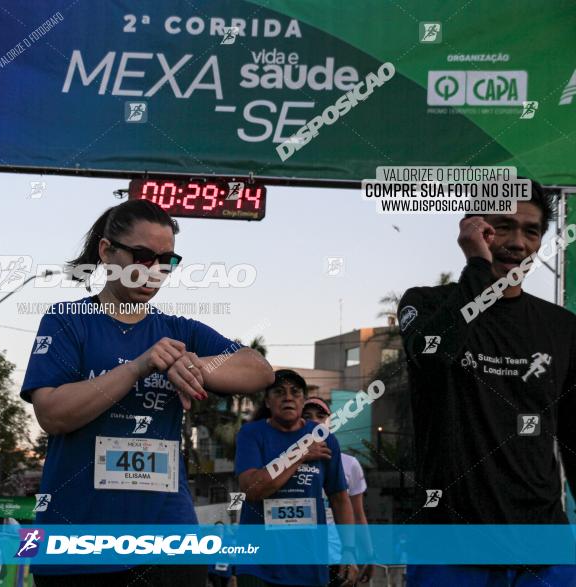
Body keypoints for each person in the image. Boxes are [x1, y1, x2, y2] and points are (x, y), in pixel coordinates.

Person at [20, 199, 275, 586]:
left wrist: (192, 364)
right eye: (142, 256)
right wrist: (140, 366)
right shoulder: (66, 321)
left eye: (167, 261)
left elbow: (259, 370)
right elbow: (52, 414)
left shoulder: (179, 331)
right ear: (107, 252)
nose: (154, 272)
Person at [398, 183, 576, 585]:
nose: (517, 242)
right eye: (502, 227)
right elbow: (431, 356)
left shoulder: (563, 328)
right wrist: (478, 266)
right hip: (451, 546)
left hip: (546, 545)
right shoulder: (424, 304)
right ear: (474, 231)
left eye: (531, 231)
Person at [235, 370, 359, 587]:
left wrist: (349, 550)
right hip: (258, 563)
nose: (288, 397)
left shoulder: (324, 438)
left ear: (303, 400)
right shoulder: (251, 434)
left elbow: (340, 498)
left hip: (309, 562)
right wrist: (300, 454)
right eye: (279, 392)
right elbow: (252, 489)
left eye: (295, 392)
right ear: (267, 400)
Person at [302, 398, 374, 586]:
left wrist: (368, 554)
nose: (315, 421)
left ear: (330, 421)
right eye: (307, 416)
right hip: (301, 559)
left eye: (321, 416)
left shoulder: (350, 464)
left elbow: (358, 515)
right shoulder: (287, 462)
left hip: (338, 558)